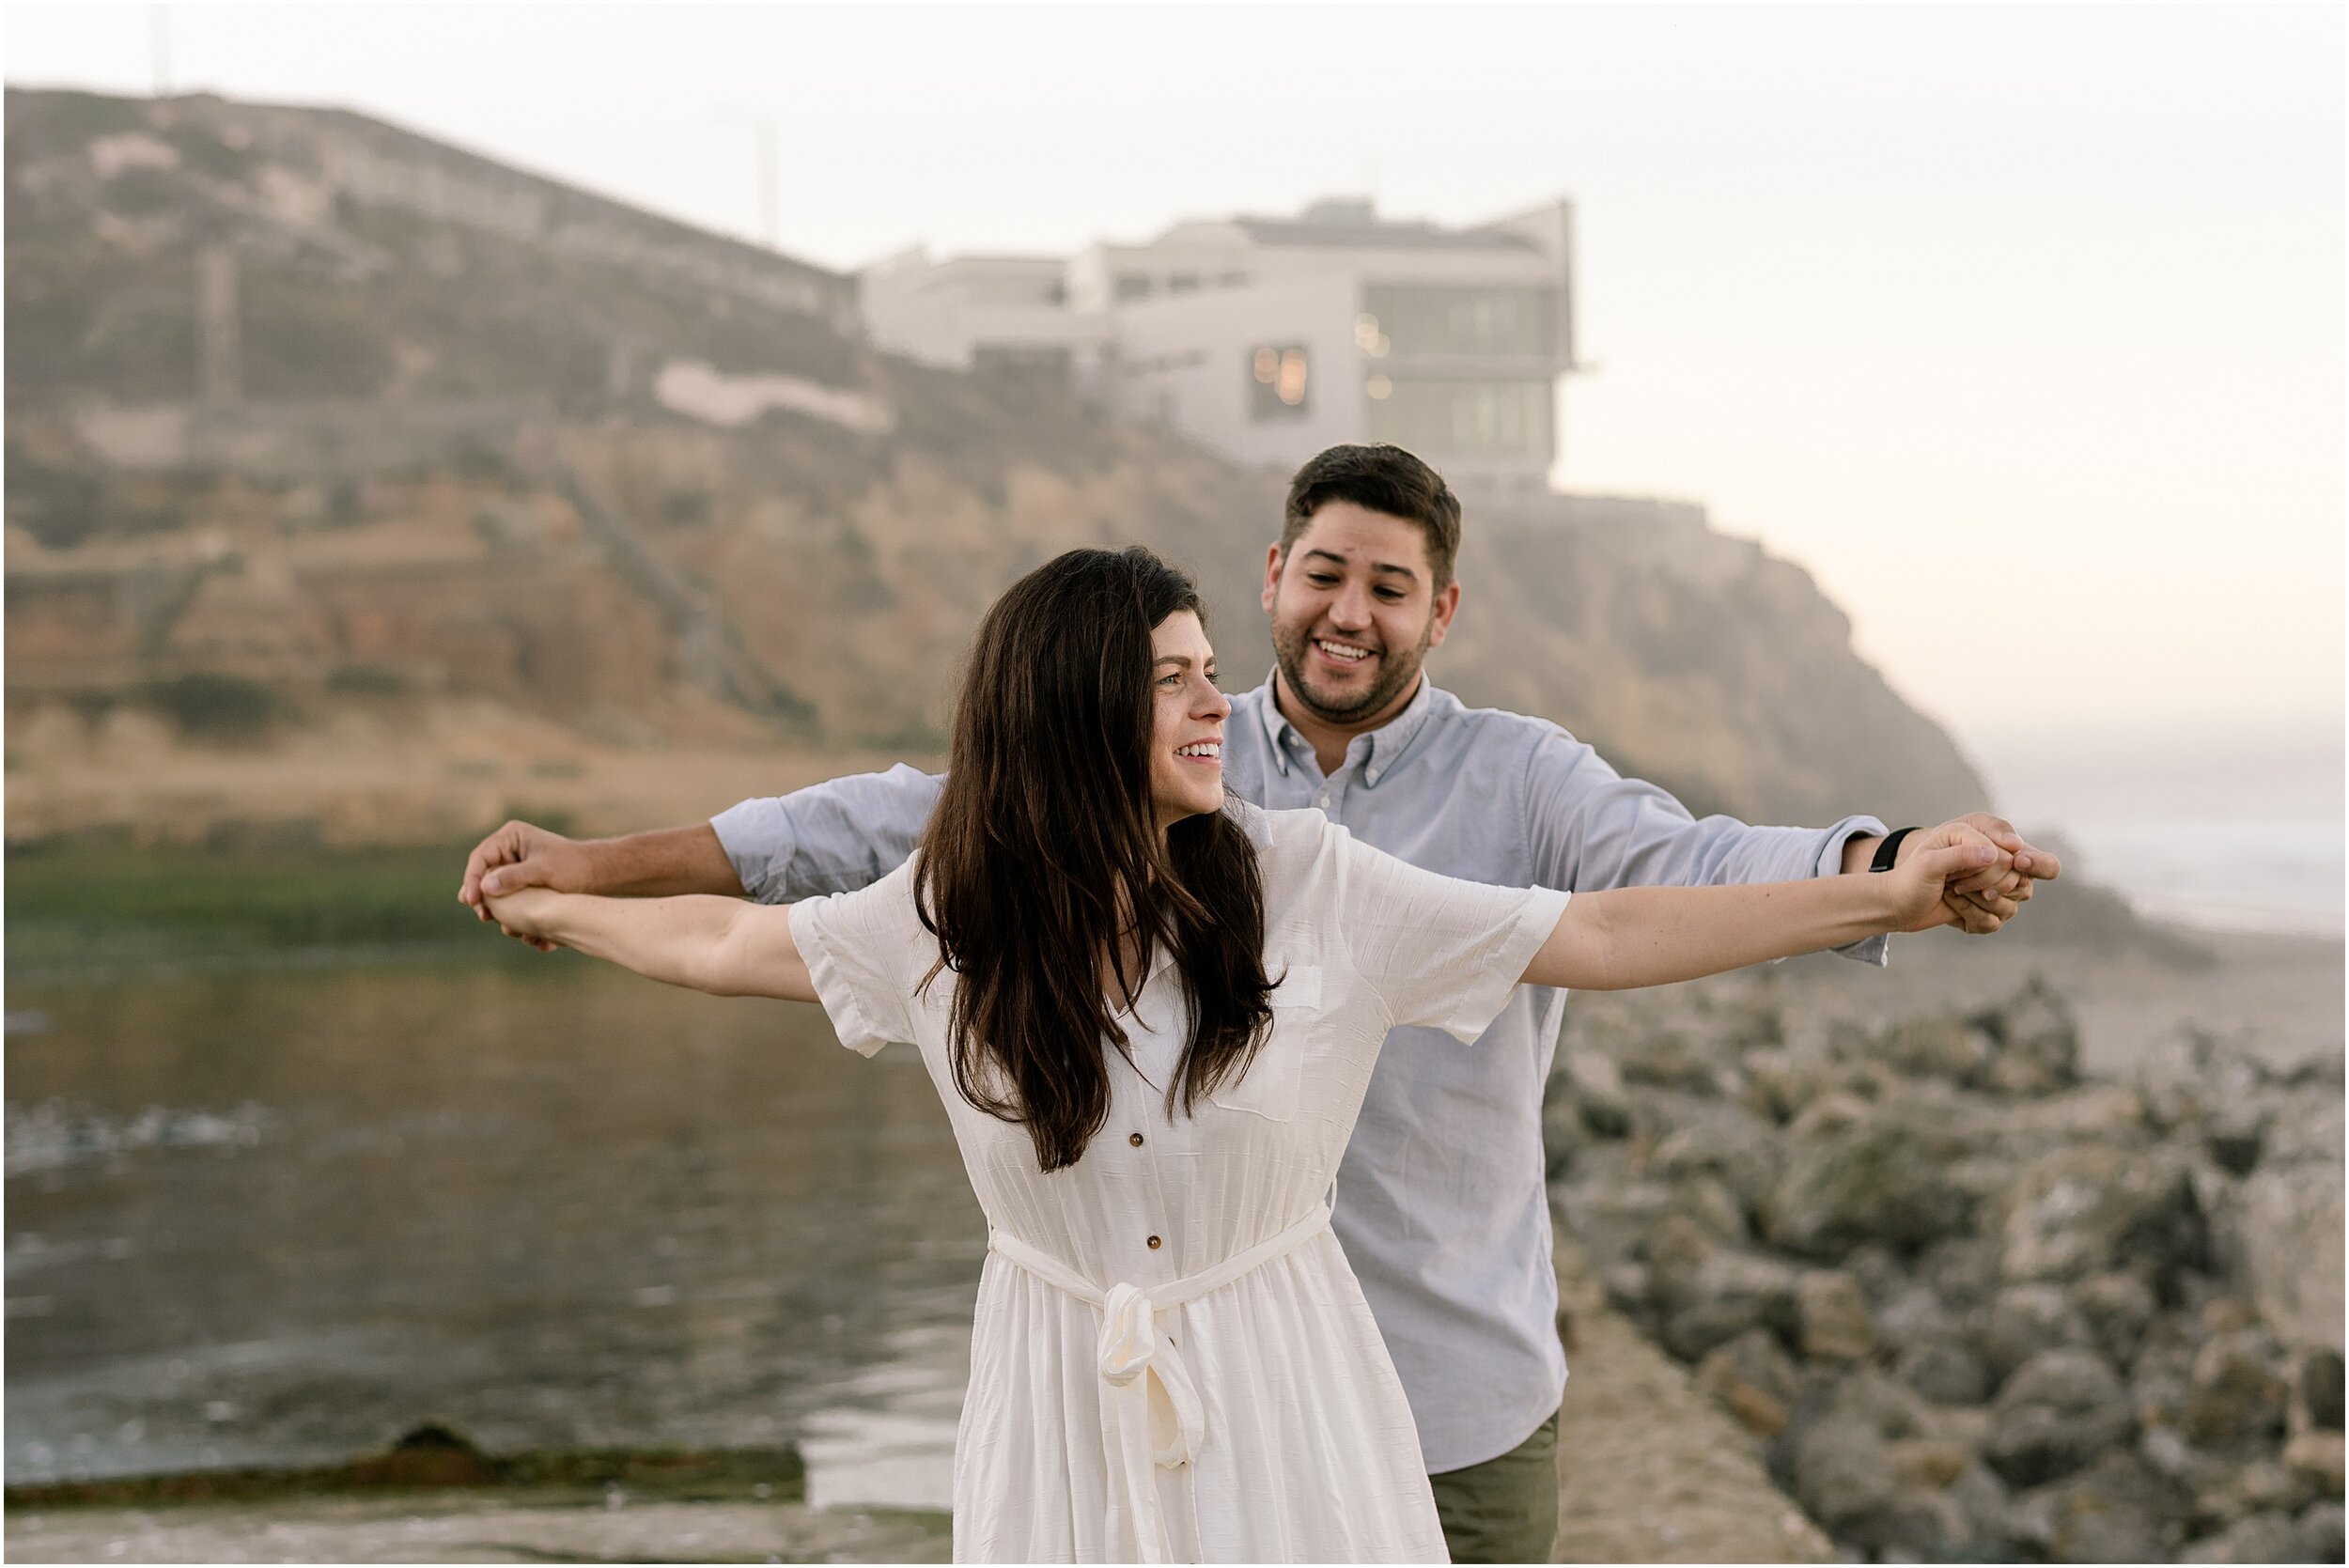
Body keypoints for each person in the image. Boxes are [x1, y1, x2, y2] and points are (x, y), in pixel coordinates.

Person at [461, 444, 2061, 1561]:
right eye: (1313, 578)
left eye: (1388, 583)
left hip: (1407, 1379)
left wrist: (1886, 871)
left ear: (1441, 610)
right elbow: (811, 879)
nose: (1332, 621)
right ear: (1271, 581)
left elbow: (1638, 904)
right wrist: (581, 883)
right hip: (1087, 1409)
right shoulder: (1015, 870)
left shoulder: (1408, 831)